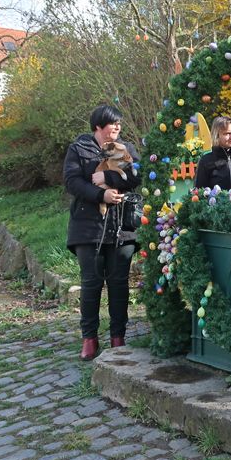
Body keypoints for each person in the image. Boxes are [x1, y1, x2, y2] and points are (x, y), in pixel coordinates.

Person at [64, 105, 141, 360]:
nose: (117, 127)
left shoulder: (126, 148)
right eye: (112, 123)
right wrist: (101, 194)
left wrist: (108, 176)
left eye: (119, 123)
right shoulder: (79, 149)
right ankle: (89, 338)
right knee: (91, 283)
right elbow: (72, 182)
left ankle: (118, 337)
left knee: (119, 283)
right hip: (88, 227)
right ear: (98, 126)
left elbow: (136, 175)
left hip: (123, 226)